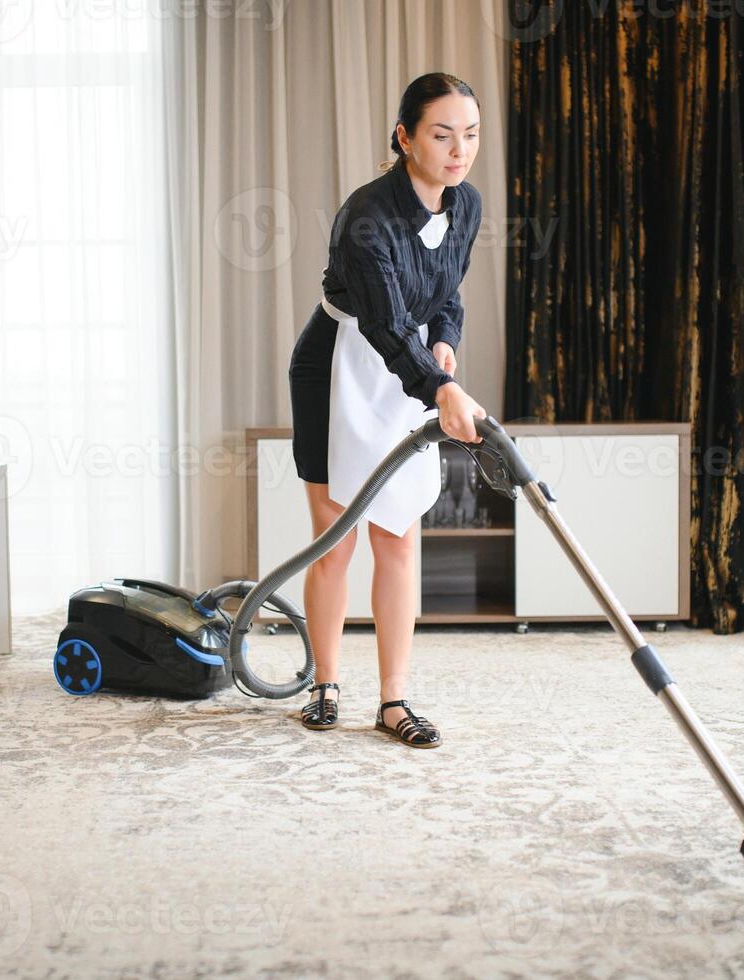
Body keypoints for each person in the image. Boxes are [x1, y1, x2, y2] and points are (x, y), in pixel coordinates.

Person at [286, 72, 487, 749]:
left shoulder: (465, 205)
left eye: (469, 134)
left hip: (410, 369)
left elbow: (444, 295)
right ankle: (324, 686)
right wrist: (437, 385)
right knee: (333, 539)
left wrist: (445, 346)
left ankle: (393, 701)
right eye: (441, 134)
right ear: (405, 138)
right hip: (339, 366)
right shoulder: (366, 217)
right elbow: (384, 323)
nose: (458, 150)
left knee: (398, 535)